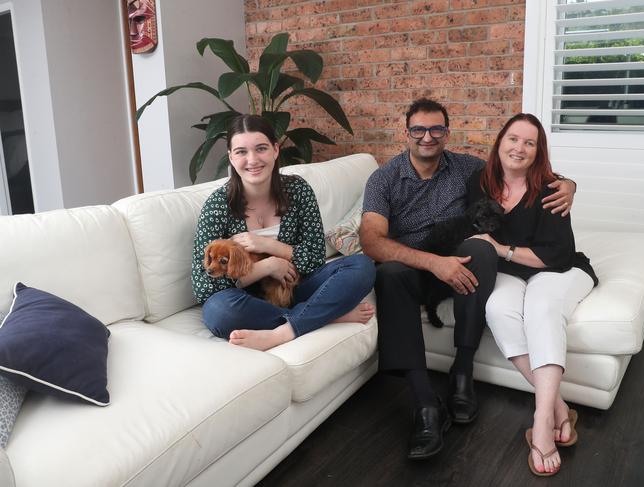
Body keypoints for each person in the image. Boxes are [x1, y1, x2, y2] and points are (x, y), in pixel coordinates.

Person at [359, 98, 576, 460]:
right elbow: (371, 242)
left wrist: (569, 184)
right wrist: (432, 263)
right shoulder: (383, 179)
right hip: (415, 266)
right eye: (419, 129)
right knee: (390, 274)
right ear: (406, 133)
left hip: (461, 262)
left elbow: (518, 169)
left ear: (446, 132)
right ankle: (426, 404)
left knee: (481, 248)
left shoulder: (466, 169)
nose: (427, 137)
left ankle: (462, 371)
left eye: (436, 129)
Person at [468, 113, 597, 476]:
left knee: (541, 308)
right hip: (511, 273)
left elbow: (556, 255)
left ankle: (541, 420)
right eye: (513, 139)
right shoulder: (480, 182)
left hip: (557, 268)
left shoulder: (552, 188)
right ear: (500, 142)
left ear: (538, 151)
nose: (519, 148)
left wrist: (501, 249)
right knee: (497, 307)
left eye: (529, 142)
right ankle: (559, 406)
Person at [191, 114, 376, 351]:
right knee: (220, 312)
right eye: (241, 152)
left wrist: (270, 247)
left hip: (295, 286)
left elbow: (315, 259)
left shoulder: (298, 190)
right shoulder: (218, 205)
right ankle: (323, 315)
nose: (252, 160)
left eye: (261, 148)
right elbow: (204, 285)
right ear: (230, 157)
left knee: (361, 266)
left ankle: (284, 331)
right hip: (247, 301)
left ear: (276, 150)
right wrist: (268, 267)